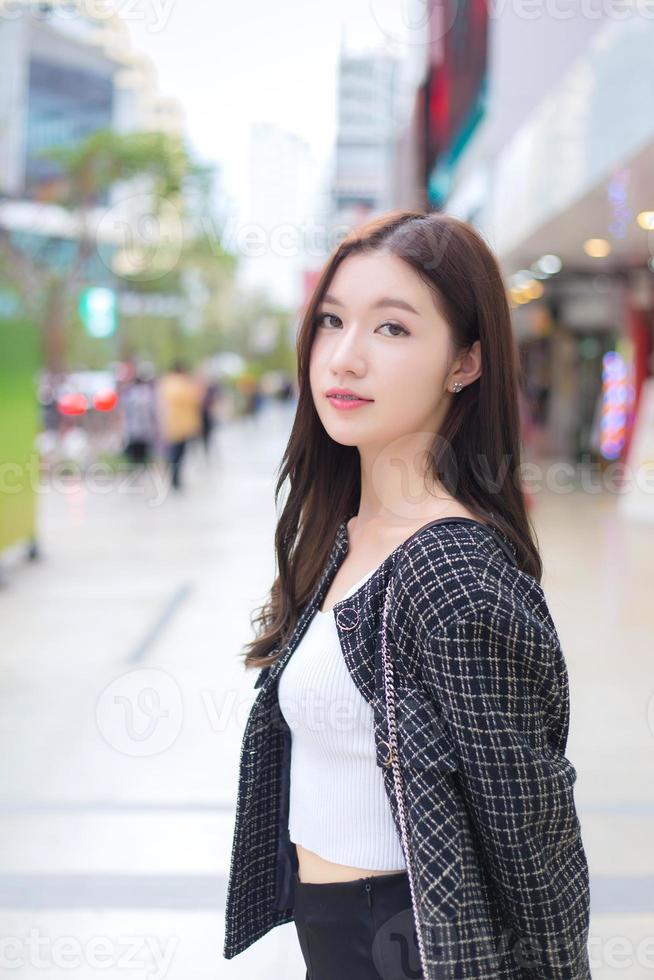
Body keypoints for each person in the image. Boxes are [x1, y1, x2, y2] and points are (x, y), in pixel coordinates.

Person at [222, 210, 592, 979]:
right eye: (332, 321)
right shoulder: (346, 534)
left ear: (465, 363)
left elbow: (535, 855)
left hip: (411, 946)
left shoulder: (452, 573)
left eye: (392, 330)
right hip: (336, 939)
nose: (344, 359)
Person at [156, 360, 202, 490]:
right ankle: (175, 478)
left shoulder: (165, 383)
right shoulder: (184, 384)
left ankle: (173, 477)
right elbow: (195, 400)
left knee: (173, 453)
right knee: (178, 454)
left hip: (169, 424)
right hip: (182, 426)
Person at [121, 370, 158, 469]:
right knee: (143, 452)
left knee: (134, 453)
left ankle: (135, 468)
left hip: (133, 428)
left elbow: (124, 411)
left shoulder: (129, 394)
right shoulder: (148, 393)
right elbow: (153, 411)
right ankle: (142, 468)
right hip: (145, 428)